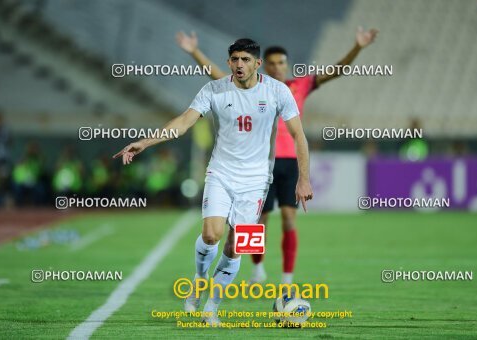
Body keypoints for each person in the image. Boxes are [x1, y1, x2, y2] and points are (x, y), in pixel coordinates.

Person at [113, 38, 313, 325]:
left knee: (236, 247)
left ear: (258, 63)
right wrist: (145, 142)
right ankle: (199, 278)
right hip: (220, 172)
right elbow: (183, 122)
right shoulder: (214, 89)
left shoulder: (278, 91)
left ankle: (211, 308)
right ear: (229, 62)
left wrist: (303, 179)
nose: (239, 64)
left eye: (245, 59)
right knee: (211, 235)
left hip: (257, 181)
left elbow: (298, 136)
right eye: (234, 59)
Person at [176, 27, 378, 285]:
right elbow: (216, 76)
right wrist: (194, 51)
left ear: (287, 64)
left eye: (281, 63)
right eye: (271, 64)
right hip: (262, 165)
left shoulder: (298, 86)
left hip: (290, 161)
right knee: (258, 221)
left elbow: (338, 70)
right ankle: (257, 269)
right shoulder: (250, 87)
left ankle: (286, 277)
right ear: (263, 65)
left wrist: (358, 47)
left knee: (288, 218)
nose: (277, 68)